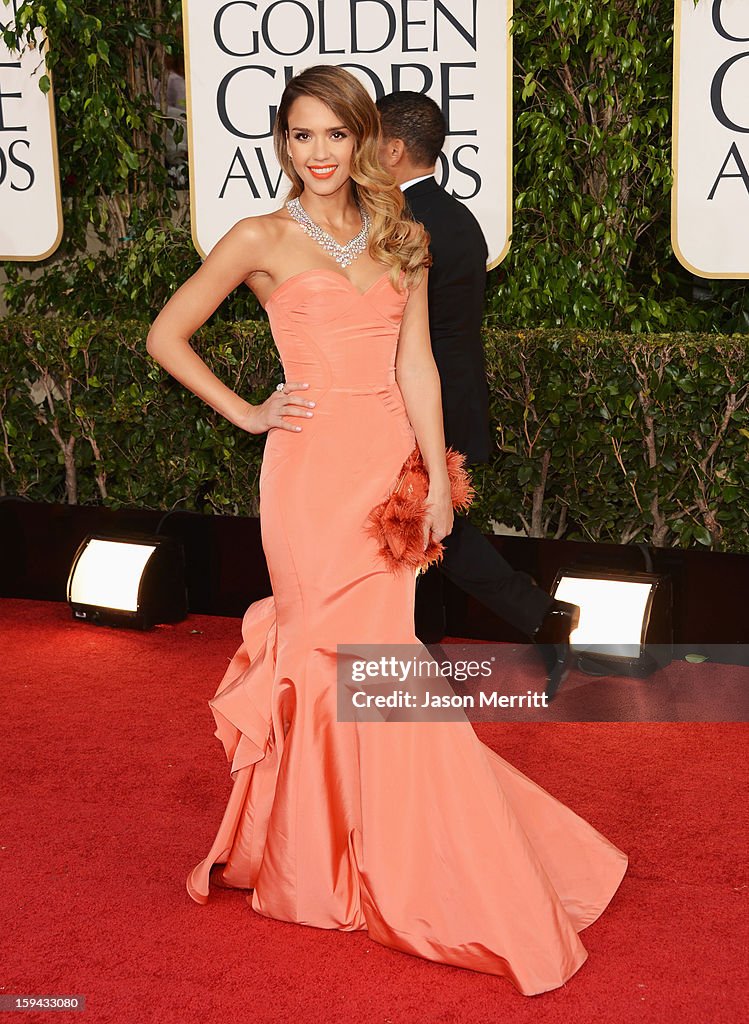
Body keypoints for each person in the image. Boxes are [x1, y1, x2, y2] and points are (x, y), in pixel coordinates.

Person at [147, 65, 626, 996]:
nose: (316, 153)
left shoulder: (403, 240)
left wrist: (437, 481)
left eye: (333, 135)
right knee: (323, 660)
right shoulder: (259, 236)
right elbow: (167, 334)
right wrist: (248, 412)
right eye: (299, 135)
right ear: (281, 144)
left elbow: (419, 370)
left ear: (364, 140)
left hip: (383, 476)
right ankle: (317, 859)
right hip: (306, 479)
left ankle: (386, 852)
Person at [376, 91, 579, 698]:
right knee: (424, 526)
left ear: (390, 149)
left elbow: (395, 330)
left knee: (431, 528)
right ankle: (427, 640)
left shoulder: (401, 226)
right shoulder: (460, 219)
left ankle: (543, 617)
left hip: (420, 401)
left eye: (360, 139)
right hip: (455, 394)